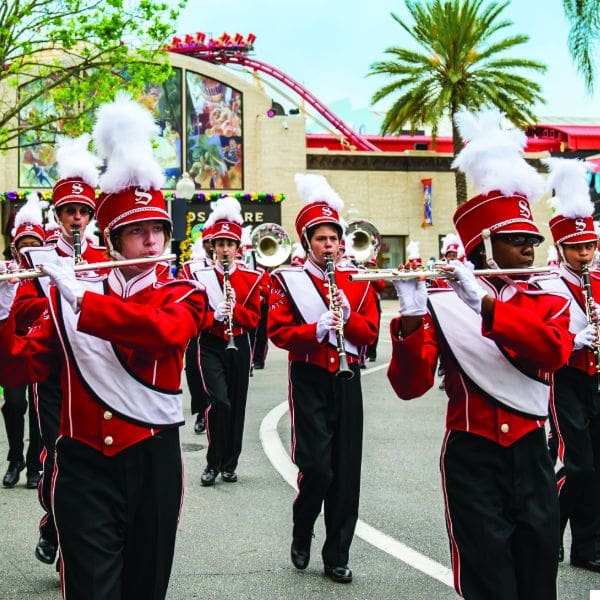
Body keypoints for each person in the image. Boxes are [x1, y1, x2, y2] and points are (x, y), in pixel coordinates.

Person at [0, 93, 208, 600]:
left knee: (144, 588)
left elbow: (162, 333)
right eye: (137, 232)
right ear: (113, 240)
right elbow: (16, 371)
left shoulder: (184, 292)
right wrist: (5, 310)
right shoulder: (68, 297)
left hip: (153, 461)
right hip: (83, 466)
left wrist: (79, 299)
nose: (153, 242)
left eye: (158, 229)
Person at [387, 108, 573, 600]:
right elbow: (411, 386)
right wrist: (410, 316)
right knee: (489, 581)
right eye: (516, 242)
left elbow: (551, 351)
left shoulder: (548, 297)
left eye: (531, 241)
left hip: (533, 453)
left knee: (537, 578)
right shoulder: (445, 304)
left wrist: (485, 303)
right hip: (472, 456)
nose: (529, 251)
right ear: (484, 247)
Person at [268, 173, 379, 584]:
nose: (329, 245)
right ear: (307, 243)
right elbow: (278, 333)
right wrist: (315, 329)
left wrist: (348, 320)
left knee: (346, 473)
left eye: (334, 238)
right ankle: (302, 525)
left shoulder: (358, 282)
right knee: (317, 468)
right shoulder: (290, 280)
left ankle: (337, 555)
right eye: (321, 239)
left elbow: (371, 334)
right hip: (311, 376)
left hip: (347, 382)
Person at [11, 134, 107, 567]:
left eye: (82, 212)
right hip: (51, 373)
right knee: (60, 452)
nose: (75, 219)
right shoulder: (41, 259)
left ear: (89, 217)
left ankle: (65, 529)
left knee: (90, 454)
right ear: (58, 214)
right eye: (69, 211)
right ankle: (55, 523)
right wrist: (57, 297)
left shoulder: (105, 257)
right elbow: (23, 309)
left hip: (93, 371)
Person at [536, 157, 600, 571]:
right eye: (577, 248)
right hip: (562, 378)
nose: (585, 254)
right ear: (560, 248)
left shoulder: (597, 281)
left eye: (589, 246)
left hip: (594, 379)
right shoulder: (547, 283)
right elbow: (539, 335)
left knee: (597, 468)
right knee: (576, 464)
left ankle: (588, 547)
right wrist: (575, 339)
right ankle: (548, 529)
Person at [187, 197, 261, 486]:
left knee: (237, 404)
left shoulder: (251, 277)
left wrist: (235, 311)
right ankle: (212, 462)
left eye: (230, 244)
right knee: (220, 401)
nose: (225, 249)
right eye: (220, 244)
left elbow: (254, 319)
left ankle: (230, 463)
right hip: (210, 344)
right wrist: (212, 315)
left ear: (237, 248)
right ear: (213, 247)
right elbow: (193, 316)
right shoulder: (199, 275)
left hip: (239, 344)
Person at [1, 193, 44, 489]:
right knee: (14, 404)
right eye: (23, 245)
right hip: (14, 348)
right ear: (15, 248)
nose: (28, 250)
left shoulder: (48, 272)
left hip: (42, 349)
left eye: (34, 245)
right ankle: (15, 457)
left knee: (41, 409)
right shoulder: (8, 271)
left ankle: (34, 463)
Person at [182, 231, 215, 435]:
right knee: (193, 369)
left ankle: (217, 413)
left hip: (220, 327)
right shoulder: (190, 267)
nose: (211, 247)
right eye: (208, 243)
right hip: (198, 327)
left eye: (215, 242)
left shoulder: (234, 264)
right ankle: (202, 412)